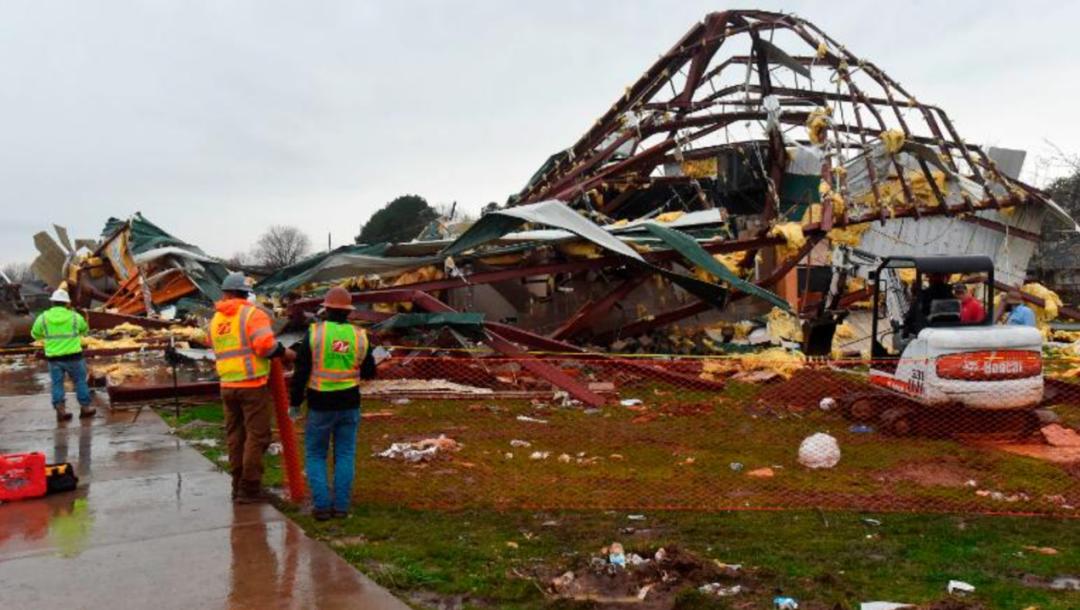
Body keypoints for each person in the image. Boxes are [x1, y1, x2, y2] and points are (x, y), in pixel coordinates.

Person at [289, 286, 376, 521]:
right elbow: (370, 371)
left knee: (316, 454)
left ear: (326, 309)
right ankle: (341, 507)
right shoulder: (359, 336)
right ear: (348, 311)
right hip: (349, 403)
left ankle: (322, 507)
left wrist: (295, 402)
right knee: (345, 454)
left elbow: (301, 371)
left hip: (320, 404)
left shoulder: (315, 333)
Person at [209, 272, 295, 503]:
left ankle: (237, 486)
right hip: (252, 385)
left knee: (236, 436)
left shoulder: (216, 319)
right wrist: (288, 354)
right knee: (258, 437)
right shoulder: (252, 315)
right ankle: (250, 489)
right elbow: (266, 347)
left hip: (227, 385)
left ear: (226, 293)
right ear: (245, 294)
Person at [30, 289, 95, 423]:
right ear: (67, 303)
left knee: (57, 384)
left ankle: (61, 410)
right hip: (74, 356)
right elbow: (84, 330)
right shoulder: (75, 317)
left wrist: (49, 338)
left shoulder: (43, 317)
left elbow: (35, 334)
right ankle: (85, 408)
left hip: (54, 358)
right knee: (80, 382)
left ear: (53, 302)